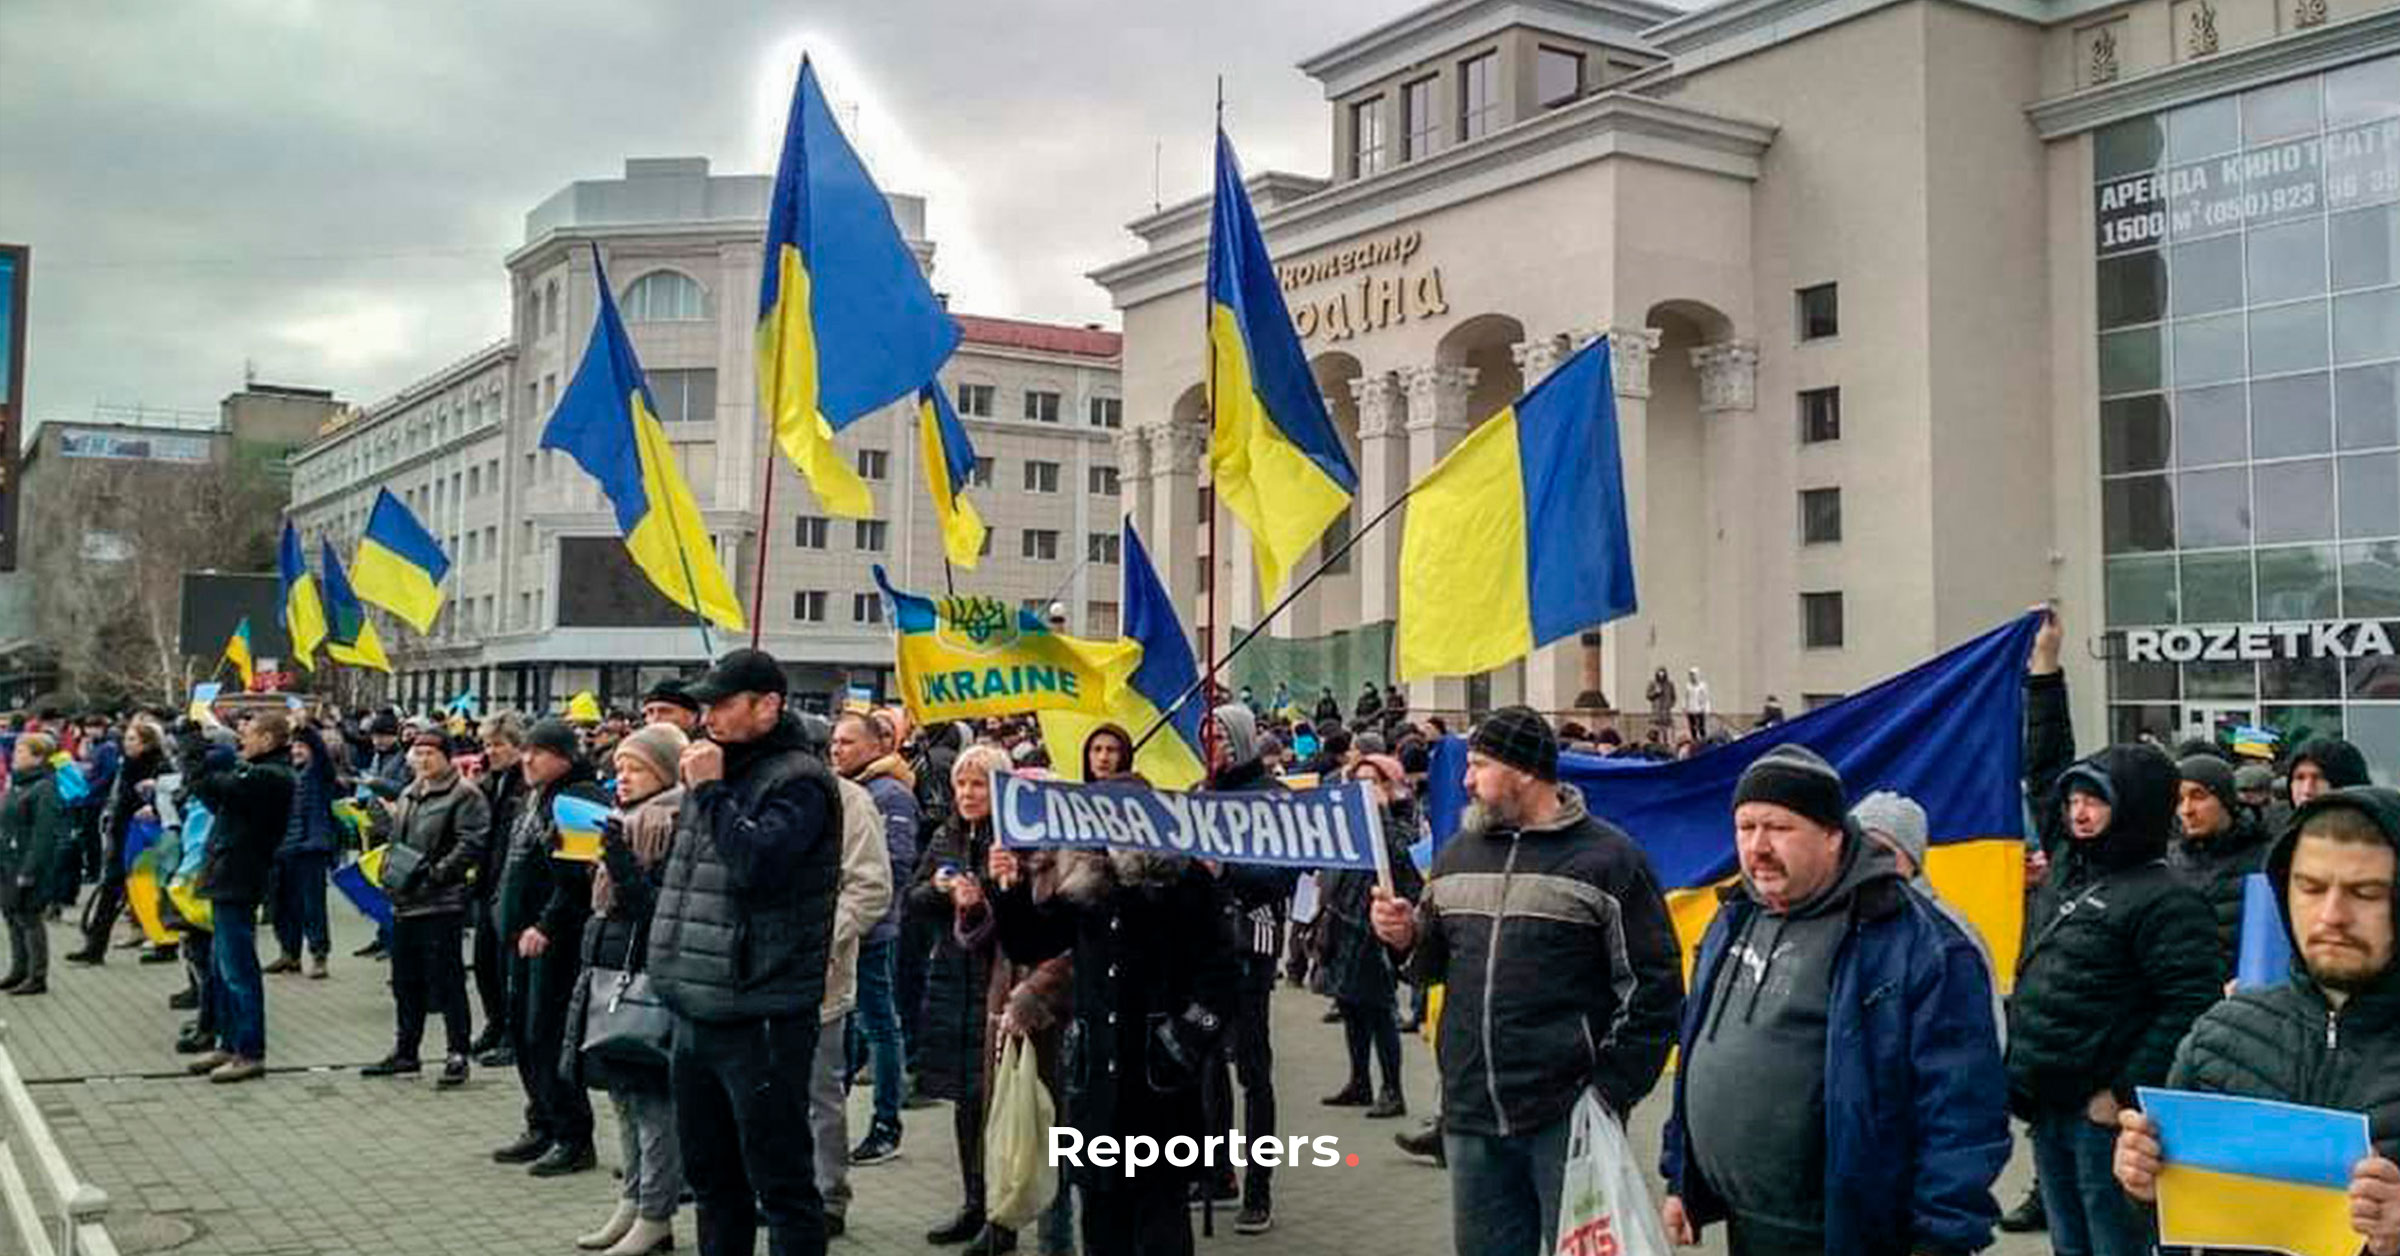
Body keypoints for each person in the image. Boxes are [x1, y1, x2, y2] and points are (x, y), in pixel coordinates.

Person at [1661, 748, 2009, 1255]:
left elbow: (1962, 1109)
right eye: (1745, 827)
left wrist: (1942, 1239)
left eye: (1779, 828)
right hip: (1748, 1225)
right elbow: (1698, 1050)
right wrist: (1682, 1181)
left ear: (1832, 835)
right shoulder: (1733, 917)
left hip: (1854, 1234)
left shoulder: (1919, 944)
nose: (1757, 846)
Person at [1370, 706, 1683, 1256]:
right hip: (1471, 1116)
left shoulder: (1609, 860)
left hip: (1566, 1119)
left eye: (1479, 765)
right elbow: (1430, 965)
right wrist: (1401, 938)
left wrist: (1608, 1091)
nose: (1466, 780)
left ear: (1525, 771)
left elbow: (1654, 989)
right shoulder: (1457, 854)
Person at [2112, 786, 2400, 1256]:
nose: (2331, 916)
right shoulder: (2219, 1037)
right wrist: (2144, 1183)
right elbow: (2174, 1228)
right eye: (2309, 888)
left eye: (2365, 893)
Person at [646, 648, 842, 1256]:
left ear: (768, 705)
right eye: (705, 706)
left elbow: (758, 863)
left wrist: (708, 794)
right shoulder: (718, 771)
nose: (710, 719)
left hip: (761, 1009)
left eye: (724, 704)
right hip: (695, 1003)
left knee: (778, 1182)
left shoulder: (799, 780)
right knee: (712, 1179)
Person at [988, 798, 1238, 1255]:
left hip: (1158, 1083)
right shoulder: (1089, 884)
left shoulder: (1184, 883)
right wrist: (1008, 887)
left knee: (1161, 1221)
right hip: (1097, 1080)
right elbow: (1033, 940)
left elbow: (1221, 973)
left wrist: (1183, 1040)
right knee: (1102, 1221)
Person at [2006, 742, 2221, 1256]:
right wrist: (2045, 671)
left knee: (2113, 1244)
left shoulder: (2168, 899)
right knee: (2069, 1244)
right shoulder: (2069, 869)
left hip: (2103, 1120)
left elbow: (2190, 1008)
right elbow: (2044, 767)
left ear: (2133, 806)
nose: (2079, 813)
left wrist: (2122, 1093)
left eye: (2095, 800)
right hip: (2048, 1103)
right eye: (2073, 800)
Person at [945, 744, 1078, 1256]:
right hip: (1003, 1004)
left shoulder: (1064, 858)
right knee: (1009, 1118)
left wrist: (1033, 993)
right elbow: (993, 941)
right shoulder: (1001, 850)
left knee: (1051, 1127)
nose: (968, 794)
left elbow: (1069, 945)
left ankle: (1055, 1238)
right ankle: (1003, 1223)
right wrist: (975, 908)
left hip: (1050, 1012)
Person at [570, 723, 691, 1256]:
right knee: (620, 1094)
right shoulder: (625, 818)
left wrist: (617, 859)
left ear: (663, 772)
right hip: (608, 965)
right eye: (619, 767)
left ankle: (656, 1212)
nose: (623, 777)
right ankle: (632, 1198)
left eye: (636, 767)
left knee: (652, 1105)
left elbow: (656, 908)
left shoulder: (671, 820)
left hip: (647, 976)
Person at [492, 717, 605, 1177]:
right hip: (518, 936)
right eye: (526, 751)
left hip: (555, 940)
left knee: (549, 1036)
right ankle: (541, 1121)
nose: (527, 759)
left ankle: (573, 1135)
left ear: (564, 756)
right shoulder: (535, 796)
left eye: (538, 751)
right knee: (522, 1032)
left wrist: (545, 924)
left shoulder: (579, 799)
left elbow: (577, 877)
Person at [909, 745, 1011, 1249]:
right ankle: (974, 1203)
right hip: (954, 981)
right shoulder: (948, 835)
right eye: (962, 785)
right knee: (966, 1100)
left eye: (979, 785)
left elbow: (1027, 912)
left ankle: (1004, 1215)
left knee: (1001, 1105)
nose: (969, 794)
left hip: (1001, 981)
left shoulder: (1013, 839)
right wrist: (940, 889)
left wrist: (988, 890)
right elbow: (913, 899)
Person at [1199, 703, 1295, 1234]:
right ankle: (1216, 1171)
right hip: (1206, 944)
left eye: (1218, 736)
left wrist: (1227, 866)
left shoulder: (1272, 797)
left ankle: (1259, 1187)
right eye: (1204, 736)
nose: (1211, 745)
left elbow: (1280, 874)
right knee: (1207, 1063)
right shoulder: (1202, 793)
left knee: (1252, 1069)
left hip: (1252, 942)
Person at [363, 730, 489, 1086]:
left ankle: (457, 1052)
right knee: (406, 982)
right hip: (405, 901)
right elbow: (396, 841)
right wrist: (391, 875)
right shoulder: (408, 793)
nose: (423, 760)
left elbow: (471, 843)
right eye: (417, 753)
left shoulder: (465, 795)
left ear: (447, 756)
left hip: (441, 902)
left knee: (447, 981)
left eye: (430, 753)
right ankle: (406, 1051)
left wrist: (436, 876)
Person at [807, 733, 894, 1242]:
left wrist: (820, 940)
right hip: (753, 981)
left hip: (820, 978)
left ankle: (827, 1194)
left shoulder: (849, 801)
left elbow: (871, 886)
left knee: (820, 1094)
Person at [182, 709, 298, 1085]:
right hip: (228, 874)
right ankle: (228, 1042)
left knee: (239, 971)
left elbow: (216, 786)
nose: (241, 739)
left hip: (240, 877)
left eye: (248, 733)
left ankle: (250, 1051)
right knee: (221, 968)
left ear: (267, 740)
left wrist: (193, 751)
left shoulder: (270, 775)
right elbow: (216, 798)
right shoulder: (258, 773)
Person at [831, 711, 918, 1169]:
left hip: (873, 932)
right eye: (834, 741)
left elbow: (897, 866)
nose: (836, 749)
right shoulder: (850, 790)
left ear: (875, 747)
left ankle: (887, 1123)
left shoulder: (890, 795)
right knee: (851, 1027)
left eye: (847, 742)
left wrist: (857, 912)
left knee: (880, 1026)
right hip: (844, 935)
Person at [1320, 754, 1424, 1118]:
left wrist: (1380, 812)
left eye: (1373, 782)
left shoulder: (1404, 820)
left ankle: (1392, 1089)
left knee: (1380, 1010)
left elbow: (1404, 858)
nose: (1365, 790)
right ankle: (1359, 1080)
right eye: (1359, 782)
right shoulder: (1348, 822)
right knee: (1351, 1006)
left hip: (1377, 927)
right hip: (1345, 917)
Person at [68, 716, 166, 966]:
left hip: (143, 836)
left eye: (133, 739)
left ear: (147, 743)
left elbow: (168, 797)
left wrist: (152, 802)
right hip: (122, 832)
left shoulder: (157, 766)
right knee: (113, 889)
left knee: (146, 890)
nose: (127, 743)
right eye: (127, 738)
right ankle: (95, 946)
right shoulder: (128, 764)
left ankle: (165, 943)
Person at [2173, 754, 2276, 980]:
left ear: (2226, 800)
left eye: (2198, 796)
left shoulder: (2265, 861)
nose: (2187, 810)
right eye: (2179, 800)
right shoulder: (2170, 863)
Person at [472, 713, 529, 1065]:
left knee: (508, 968)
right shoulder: (492, 783)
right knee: (484, 964)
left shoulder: (524, 785)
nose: (490, 751)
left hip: (512, 888)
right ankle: (495, 1023)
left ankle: (512, 1034)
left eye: (497, 745)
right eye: (487, 744)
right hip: (489, 882)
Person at [266, 724, 339, 979]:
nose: (297, 751)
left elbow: (322, 754)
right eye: (294, 746)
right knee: (283, 905)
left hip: (311, 848)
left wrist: (305, 727)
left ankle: (319, 954)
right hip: (285, 848)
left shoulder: (318, 774)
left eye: (302, 746)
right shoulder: (286, 774)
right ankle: (289, 952)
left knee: (312, 906)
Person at [0, 733, 66, 996]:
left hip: (27, 860)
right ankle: (18, 969)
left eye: (21, 751)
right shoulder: (17, 785)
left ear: (38, 757)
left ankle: (37, 975)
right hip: (7, 858)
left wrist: (30, 869)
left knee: (29, 917)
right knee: (12, 915)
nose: (15, 755)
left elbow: (44, 833)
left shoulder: (44, 788)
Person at [1646, 667, 1677, 740]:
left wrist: (1670, 704)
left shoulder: (1669, 684)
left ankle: (1666, 741)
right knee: (1657, 728)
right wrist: (1656, 693)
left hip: (1666, 711)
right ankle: (1657, 741)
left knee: (1666, 729)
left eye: (1662, 674)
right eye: (1659, 674)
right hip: (1657, 710)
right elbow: (1648, 695)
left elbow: (1673, 696)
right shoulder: (1653, 684)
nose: (1661, 676)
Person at [1684, 668, 1712, 742]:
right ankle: (1694, 740)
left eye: (1694, 675)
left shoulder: (1702, 686)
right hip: (1691, 709)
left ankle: (1703, 740)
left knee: (1701, 726)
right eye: (1691, 675)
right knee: (1692, 727)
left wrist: (1706, 708)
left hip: (1700, 710)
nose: (1692, 677)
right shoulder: (1688, 686)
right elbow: (1686, 697)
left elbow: (1706, 697)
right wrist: (1685, 707)